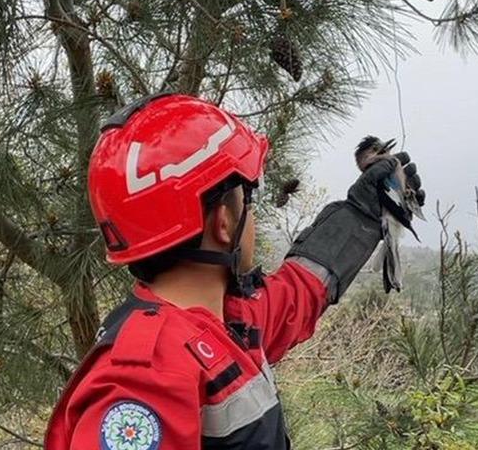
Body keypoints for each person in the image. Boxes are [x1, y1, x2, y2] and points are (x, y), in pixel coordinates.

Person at [43, 93, 424, 449]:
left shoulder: (224, 322)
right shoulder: (145, 377)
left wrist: (362, 214)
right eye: (248, 199)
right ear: (224, 222)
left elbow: (298, 292)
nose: (252, 216)